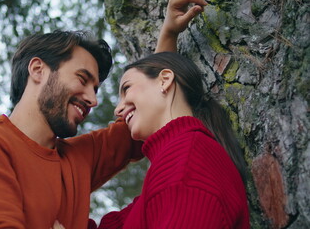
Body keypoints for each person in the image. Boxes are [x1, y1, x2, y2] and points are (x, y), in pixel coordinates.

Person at [0, 0, 207, 229]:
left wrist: (168, 34)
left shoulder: (76, 158)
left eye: (96, 89)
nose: (92, 99)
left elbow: (143, 118)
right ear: (38, 70)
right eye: (82, 79)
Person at [91, 52, 249, 228]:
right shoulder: (177, 162)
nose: (117, 110)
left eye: (126, 88)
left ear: (165, 80)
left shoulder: (187, 165)